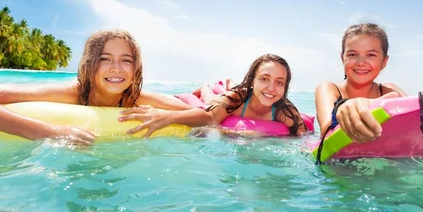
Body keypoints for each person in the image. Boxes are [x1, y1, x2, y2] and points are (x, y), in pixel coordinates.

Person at [0, 29, 194, 145]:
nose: (116, 68)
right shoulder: (72, 92)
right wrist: (44, 131)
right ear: (89, 64)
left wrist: (166, 116)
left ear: (136, 69)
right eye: (104, 58)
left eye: (126, 61)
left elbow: (199, 114)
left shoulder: (135, 98)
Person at [118, 54, 308, 136]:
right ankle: (206, 87)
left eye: (279, 82)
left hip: (232, 100)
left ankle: (225, 84)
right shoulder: (238, 98)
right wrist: (167, 117)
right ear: (252, 81)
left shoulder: (285, 111)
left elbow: (303, 135)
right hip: (225, 100)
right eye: (264, 79)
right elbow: (209, 117)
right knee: (208, 100)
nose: (271, 88)